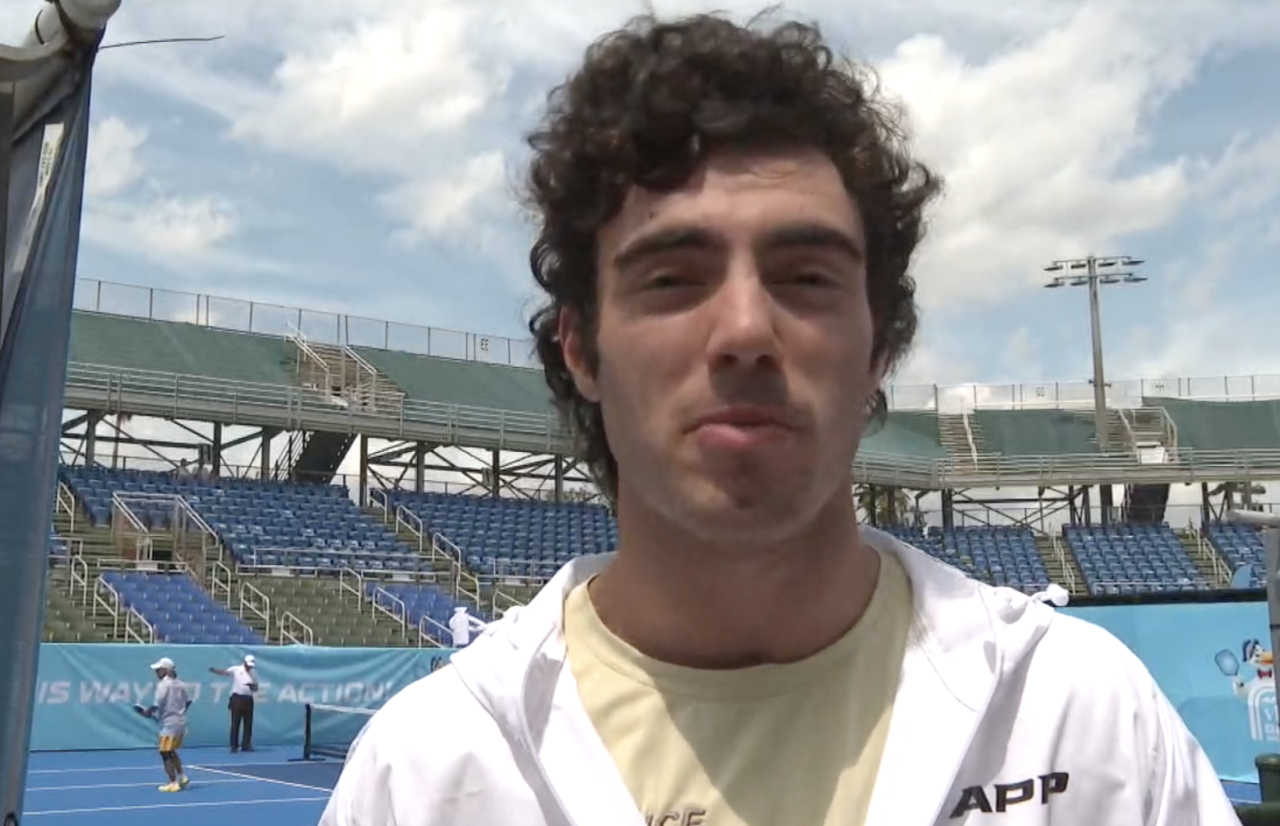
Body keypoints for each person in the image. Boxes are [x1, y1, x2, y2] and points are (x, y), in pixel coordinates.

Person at [320, 12, 1239, 826]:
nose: (748, 330)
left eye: (805, 278)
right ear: (583, 351)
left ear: (879, 345)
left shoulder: (1078, 712)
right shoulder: (432, 771)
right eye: (673, 279)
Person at [135, 656, 190, 793]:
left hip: (169, 725)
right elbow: (188, 701)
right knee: (171, 751)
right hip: (180, 722)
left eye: (158, 669)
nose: (156, 672)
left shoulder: (163, 685)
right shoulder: (181, 684)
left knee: (165, 753)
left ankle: (173, 783)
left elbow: (156, 705)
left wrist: (146, 712)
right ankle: (182, 777)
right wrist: (179, 712)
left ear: (165, 670)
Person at [209, 654, 258, 752]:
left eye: (251, 665)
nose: (249, 667)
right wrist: (215, 670)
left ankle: (246, 745)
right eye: (248, 665)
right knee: (235, 722)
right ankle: (234, 746)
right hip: (237, 698)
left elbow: (256, 688)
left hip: (248, 699)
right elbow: (225, 672)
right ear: (244, 662)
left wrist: (252, 686)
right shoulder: (236, 669)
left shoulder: (254, 673)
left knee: (248, 723)